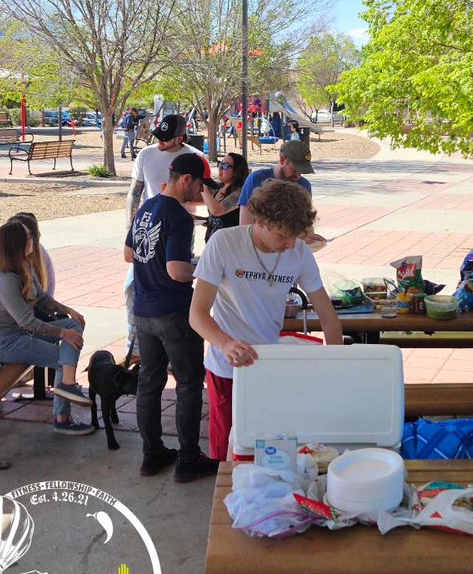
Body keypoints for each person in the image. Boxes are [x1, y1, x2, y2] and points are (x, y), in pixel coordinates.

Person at [190, 180, 344, 461]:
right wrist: (225, 344)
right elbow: (197, 314)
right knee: (227, 450)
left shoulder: (298, 252)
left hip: (271, 364)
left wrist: (336, 367)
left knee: (267, 446)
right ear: (260, 221)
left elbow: (328, 316)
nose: (289, 244)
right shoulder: (225, 243)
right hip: (227, 367)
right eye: (283, 235)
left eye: (295, 236)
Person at [126, 153, 219, 482]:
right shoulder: (178, 217)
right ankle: (188, 459)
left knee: (149, 383)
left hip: (143, 310)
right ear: (186, 179)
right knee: (189, 385)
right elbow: (178, 271)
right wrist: (203, 268)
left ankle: (151, 456)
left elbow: (129, 253)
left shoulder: (146, 209)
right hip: (175, 312)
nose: (198, 193)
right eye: (198, 185)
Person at [0, 221, 93, 434]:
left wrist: (69, 310)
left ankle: (67, 384)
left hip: (22, 333)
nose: (33, 240)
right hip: (4, 341)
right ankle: (62, 418)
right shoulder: (3, 278)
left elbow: (41, 299)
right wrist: (61, 333)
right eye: (29, 237)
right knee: (62, 359)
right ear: (19, 243)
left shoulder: (24, 265)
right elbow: (27, 322)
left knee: (73, 325)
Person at [125, 113, 204, 351]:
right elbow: (135, 192)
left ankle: (170, 342)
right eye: (158, 137)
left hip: (179, 226)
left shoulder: (194, 157)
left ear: (180, 138)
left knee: (173, 277)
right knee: (132, 285)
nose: (160, 142)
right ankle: (136, 344)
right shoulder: (146, 154)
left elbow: (203, 194)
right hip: (148, 224)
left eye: (166, 139)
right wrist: (131, 226)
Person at [238, 140, 314, 226]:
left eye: (302, 171)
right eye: (295, 169)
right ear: (282, 160)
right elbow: (245, 225)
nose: (297, 175)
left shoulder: (304, 186)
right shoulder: (256, 180)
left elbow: (306, 223)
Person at [204, 152, 249, 240]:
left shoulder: (240, 192)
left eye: (225, 166)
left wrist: (203, 187)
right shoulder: (218, 188)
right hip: (213, 243)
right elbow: (214, 219)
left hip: (230, 245)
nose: (220, 168)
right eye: (220, 164)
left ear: (236, 171)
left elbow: (217, 210)